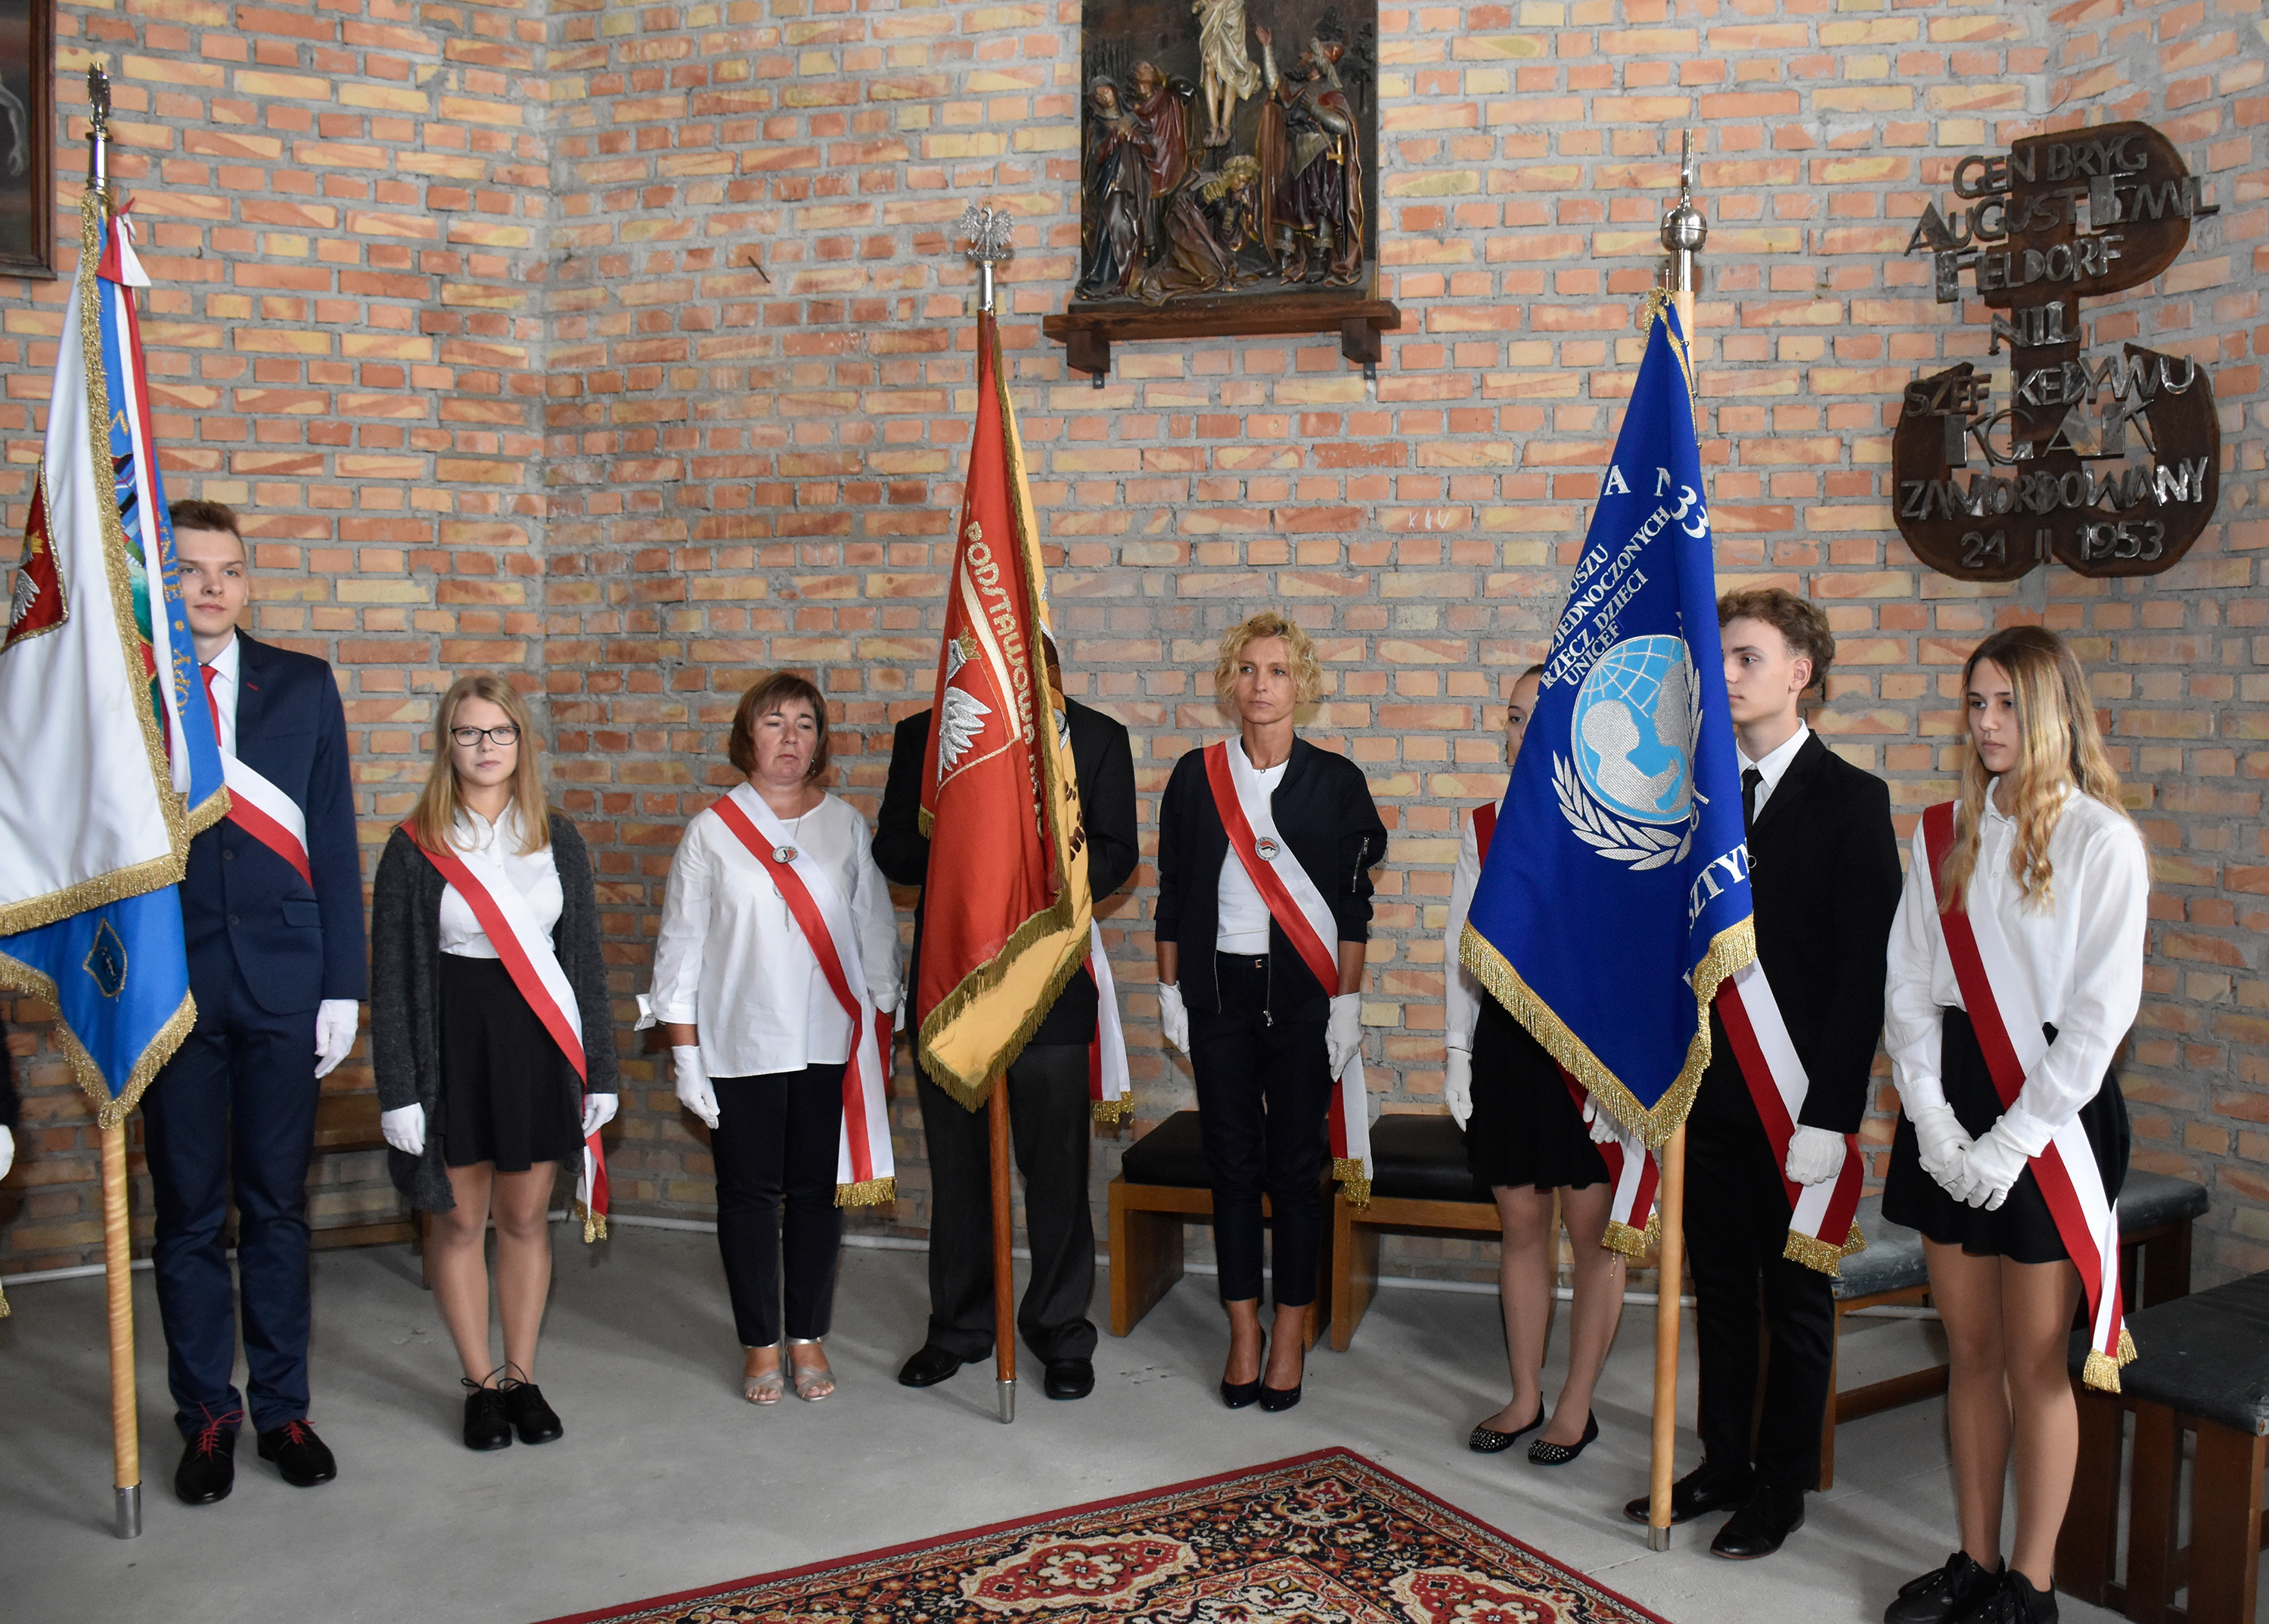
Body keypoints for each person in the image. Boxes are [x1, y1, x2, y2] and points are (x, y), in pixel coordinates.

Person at [1618, 589, 1901, 1556]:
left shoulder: (1853, 799)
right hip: (1708, 1094)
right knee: (1722, 1291)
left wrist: (1833, 1112)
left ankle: (1781, 1484)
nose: (1728, 673)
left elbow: (1863, 974)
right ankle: (1725, 1460)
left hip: (1797, 1106)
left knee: (1796, 1299)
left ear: (1800, 673)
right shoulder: (1694, 799)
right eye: (1722, 658)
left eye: (1747, 658)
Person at [1879, 627, 2146, 1624]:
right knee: (1972, 1349)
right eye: (1977, 702)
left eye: (2008, 703)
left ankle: (2031, 1589)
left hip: (2052, 1113)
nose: (1989, 722)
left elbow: (2100, 1018)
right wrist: (1932, 1116)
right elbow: (1909, 981)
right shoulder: (1942, 830)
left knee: (2036, 1364)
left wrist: (2008, 1141)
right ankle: (1976, 1560)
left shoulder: (2102, 840)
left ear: (2055, 711)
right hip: (1951, 1096)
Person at [144, 499, 363, 1504]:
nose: (212, 586)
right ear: (163, 582)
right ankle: (206, 1416)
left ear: (247, 580)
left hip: (284, 983)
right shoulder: (134, 689)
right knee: (189, 1215)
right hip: (173, 988)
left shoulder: (303, 684)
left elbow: (333, 837)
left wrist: (342, 982)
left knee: (278, 1207)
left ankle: (283, 1409)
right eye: (191, 569)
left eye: (228, 569)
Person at [371, 674, 618, 1451]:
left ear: (521, 742)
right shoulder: (415, 845)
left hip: (538, 1043)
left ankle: (521, 1377)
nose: (486, 746)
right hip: (451, 1043)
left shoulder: (557, 837)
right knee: (456, 1219)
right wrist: (399, 1089)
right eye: (469, 732)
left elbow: (583, 962)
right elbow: (392, 977)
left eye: (500, 731)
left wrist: (601, 1070)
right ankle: (479, 1385)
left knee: (523, 1218)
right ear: (447, 744)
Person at [644, 672, 901, 1405]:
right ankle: (760, 1342)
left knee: (817, 1193)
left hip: (827, 1038)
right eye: (773, 721)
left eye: (805, 723)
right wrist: (685, 1054)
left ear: (820, 741)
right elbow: (680, 948)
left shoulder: (845, 825)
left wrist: (882, 1027)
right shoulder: (712, 831)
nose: (790, 737)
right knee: (748, 1195)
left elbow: (875, 930)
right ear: (746, 736)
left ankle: (808, 1334)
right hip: (742, 1039)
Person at [879, 678, 1138, 1402]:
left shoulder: (1096, 735)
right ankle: (960, 1326)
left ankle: (1060, 1330)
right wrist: (969, 842)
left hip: (1050, 988)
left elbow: (1120, 852)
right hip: (953, 989)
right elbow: (893, 850)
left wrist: (1042, 863)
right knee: (960, 1173)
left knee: (1055, 1174)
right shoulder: (926, 734)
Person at [1154, 611, 1386, 1412]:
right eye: (1248, 668)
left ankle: (1290, 1329)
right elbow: (1173, 891)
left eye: (1279, 670)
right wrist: (1169, 988)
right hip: (1217, 995)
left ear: (1302, 684)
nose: (1262, 684)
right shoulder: (1196, 776)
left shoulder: (1337, 782)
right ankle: (1242, 1328)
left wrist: (1346, 1004)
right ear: (1231, 681)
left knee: (1293, 1168)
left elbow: (1352, 911)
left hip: (1302, 1001)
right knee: (1231, 1165)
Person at [1444, 663, 1626, 1466]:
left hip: (1590, 1061)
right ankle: (1525, 1393)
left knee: (1594, 1237)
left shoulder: (1622, 827)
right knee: (1521, 1226)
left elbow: (1636, 960)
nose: (1523, 732)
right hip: (1509, 1050)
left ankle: (1577, 1405)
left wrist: (1623, 1082)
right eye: (1515, 718)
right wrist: (1457, 1051)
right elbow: (1461, 951)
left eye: (1539, 716)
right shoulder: (1484, 826)